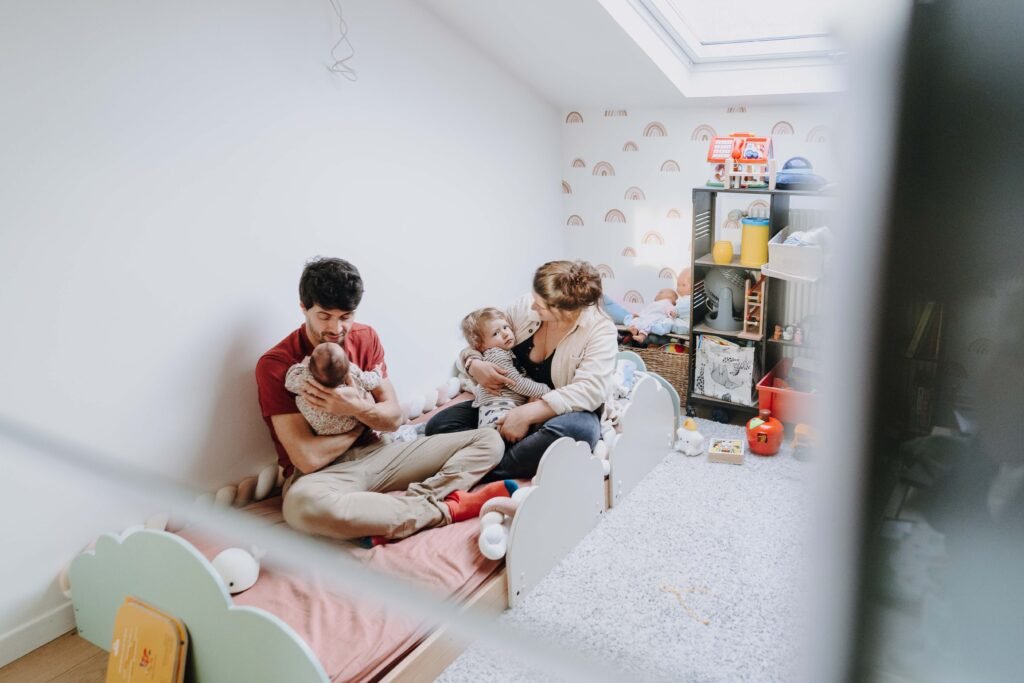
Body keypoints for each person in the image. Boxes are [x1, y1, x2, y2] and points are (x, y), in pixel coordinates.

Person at [256, 257, 510, 544]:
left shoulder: (365, 337)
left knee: (490, 441)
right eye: (325, 316)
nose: (337, 329)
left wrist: (355, 408)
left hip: (381, 452)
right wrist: (357, 422)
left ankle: (416, 503)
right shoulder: (276, 365)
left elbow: (393, 419)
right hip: (326, 476)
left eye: (346, 316)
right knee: (300, 506)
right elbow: (308, 458)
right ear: (304, 308)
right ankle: (444, 509)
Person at [426, 260, 617, 481]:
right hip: (510, 400)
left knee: (579, 432)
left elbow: (590, 390)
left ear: (564, 312)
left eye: (540, 305)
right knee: (438, 425)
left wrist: (527, 414)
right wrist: (474, 364)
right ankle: (496, 455)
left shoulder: (600, 330)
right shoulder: (525, 306)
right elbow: (481, 339)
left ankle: (477, 469)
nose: (532, 306)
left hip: (561, 410)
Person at [459, 307, 552, 429]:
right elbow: (517, 383)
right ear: (480, 346)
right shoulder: (497, 355)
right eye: (495, 333)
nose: (505, 333)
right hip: (499, 413)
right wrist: (546, 391)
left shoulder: (504, 351)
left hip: (505, 409)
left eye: (505, 327)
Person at [283, 341, 381, 436]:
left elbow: (289, 382)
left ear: (310, 365)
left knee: (302, 397)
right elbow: (370, 381)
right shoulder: (353, 373)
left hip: (322, 428)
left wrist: (300, 365)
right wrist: (377, 372)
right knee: (363, 392)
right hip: (350, 423)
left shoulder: (305, 378)